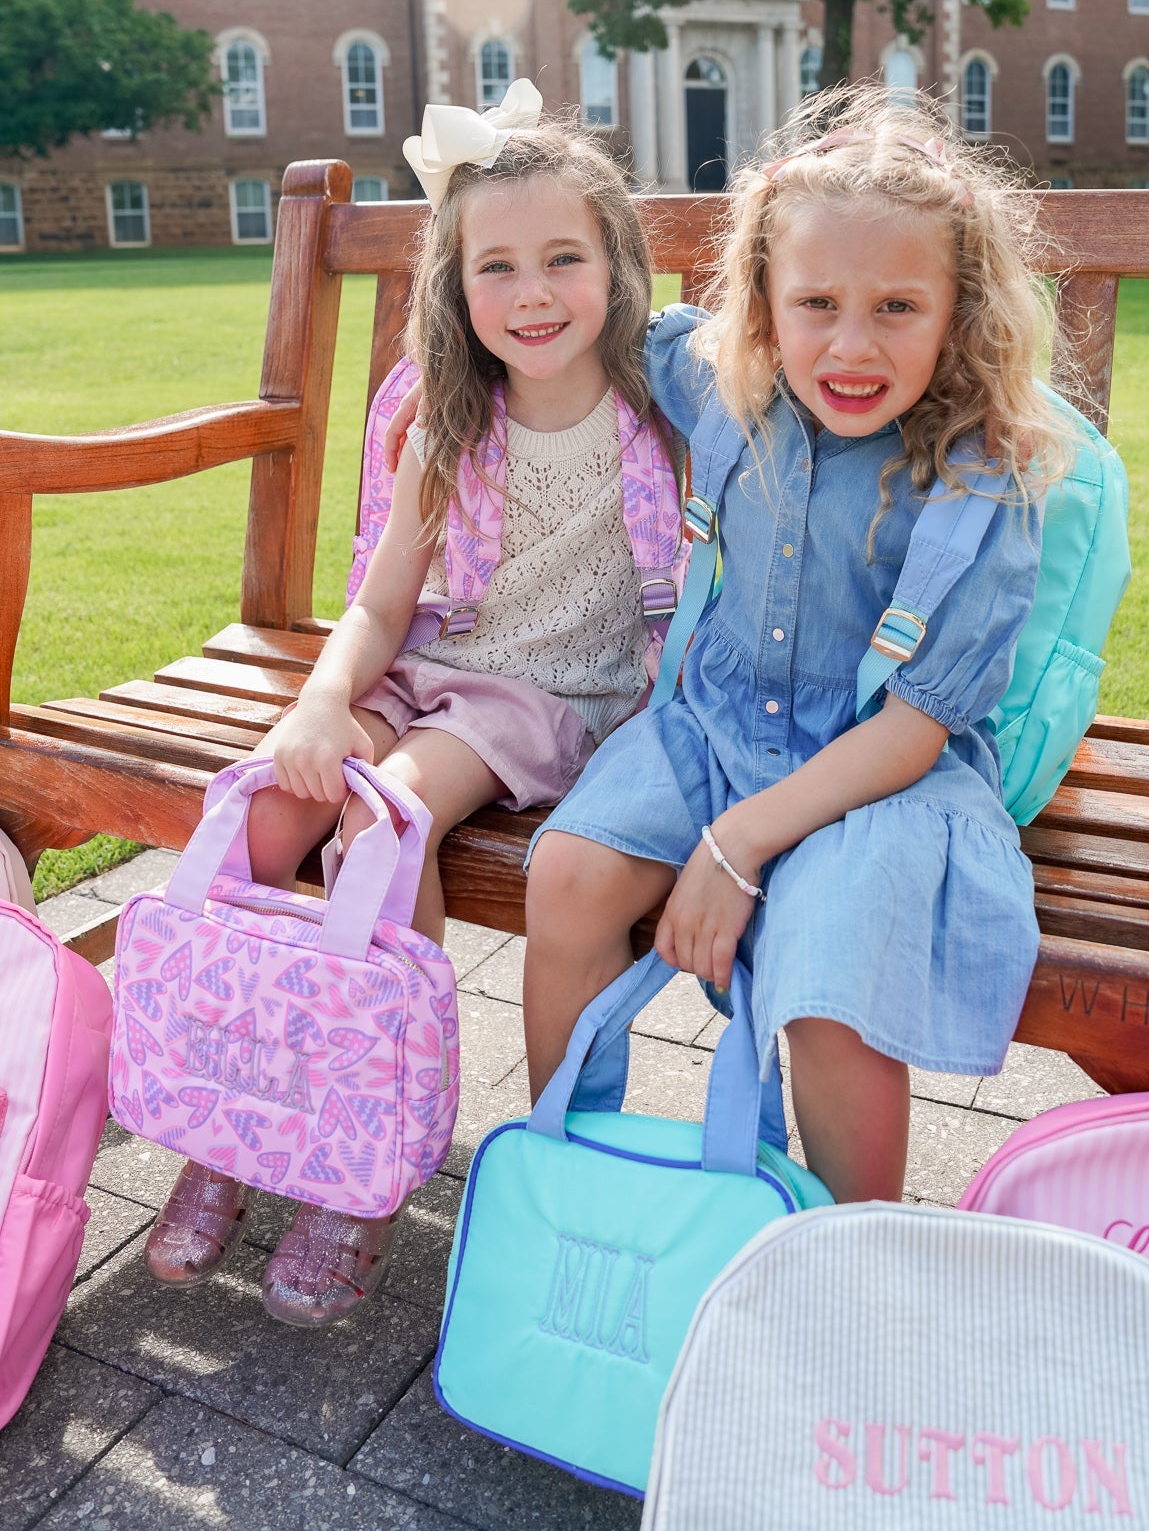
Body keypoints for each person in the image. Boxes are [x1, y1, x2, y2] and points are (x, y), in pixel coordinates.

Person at [142, 85, 680, 1324]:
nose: (533, 291)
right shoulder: (446, 417)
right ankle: (228, 1129)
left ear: (617, 264)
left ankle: (356, 1159)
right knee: (270, 814)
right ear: (457, 283)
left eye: (563, 257)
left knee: (382, 818)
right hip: (421, 666)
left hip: (550, 696)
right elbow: (381, 612)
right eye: (498, 265)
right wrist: (323, 700)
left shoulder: (663, 423)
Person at [522, 85, 1073, 1205]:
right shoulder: (726, 387)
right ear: (763, 303)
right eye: (815, 300)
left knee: (823, 976)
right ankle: (568, 1185)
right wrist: (505, 191)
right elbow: (603, 314)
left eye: (897, 307)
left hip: (874, 773)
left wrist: (735, 847)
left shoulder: (983, 480)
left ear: (959, 309)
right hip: (707, 729)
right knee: (570, 874)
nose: (851, 343)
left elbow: (915, 730)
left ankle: (855, 1250)